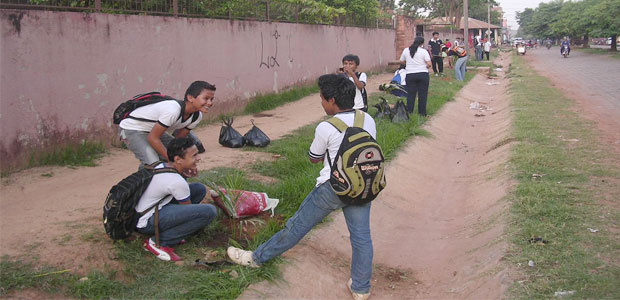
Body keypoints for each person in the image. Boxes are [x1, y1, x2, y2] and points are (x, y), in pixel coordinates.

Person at [226, 74, 377, 300]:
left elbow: (314, 157)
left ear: (332, 100)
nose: (321, 102)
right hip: (363, 185)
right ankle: (361, 288)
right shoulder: (367, 119)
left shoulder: (327, 126)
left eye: (322, 98)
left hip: (332, 188)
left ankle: (255, 259)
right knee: (361, 236)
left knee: (296, 227)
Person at [136, 137, 218, 261]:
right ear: (178, 159)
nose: (199, 158)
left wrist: (185, 173)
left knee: (198, 189)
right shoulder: (176, 182)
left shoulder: (161, 165)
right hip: (147, 222)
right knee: (209, 212)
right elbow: (190, 211)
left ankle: (172, 232)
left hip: (144, 211)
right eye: (194, 155)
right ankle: (158, 242)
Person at [119, 81, 216, 170]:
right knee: (155, 164)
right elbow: (153, 138)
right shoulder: (173, 110)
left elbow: (177, 140)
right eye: (206, 98)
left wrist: (178, 158)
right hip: (132, 129)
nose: (210, 103)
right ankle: (145, 178)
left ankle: (150, 172)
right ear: (190, 98)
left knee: (179, 154)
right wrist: (172, 160)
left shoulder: (197, 116)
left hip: (152, 131)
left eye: (212, 99)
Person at [399, 36, 431, 116]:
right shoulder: (424, 51)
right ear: (422, 43)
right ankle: (422, 113)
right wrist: (425, 67)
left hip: (410, 74)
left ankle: (409, 112)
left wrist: (409, 64)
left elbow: (402, 61)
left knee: (411, 94)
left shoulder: (406, 50)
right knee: (422, 94)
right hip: (423, 74)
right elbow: (429, 64)